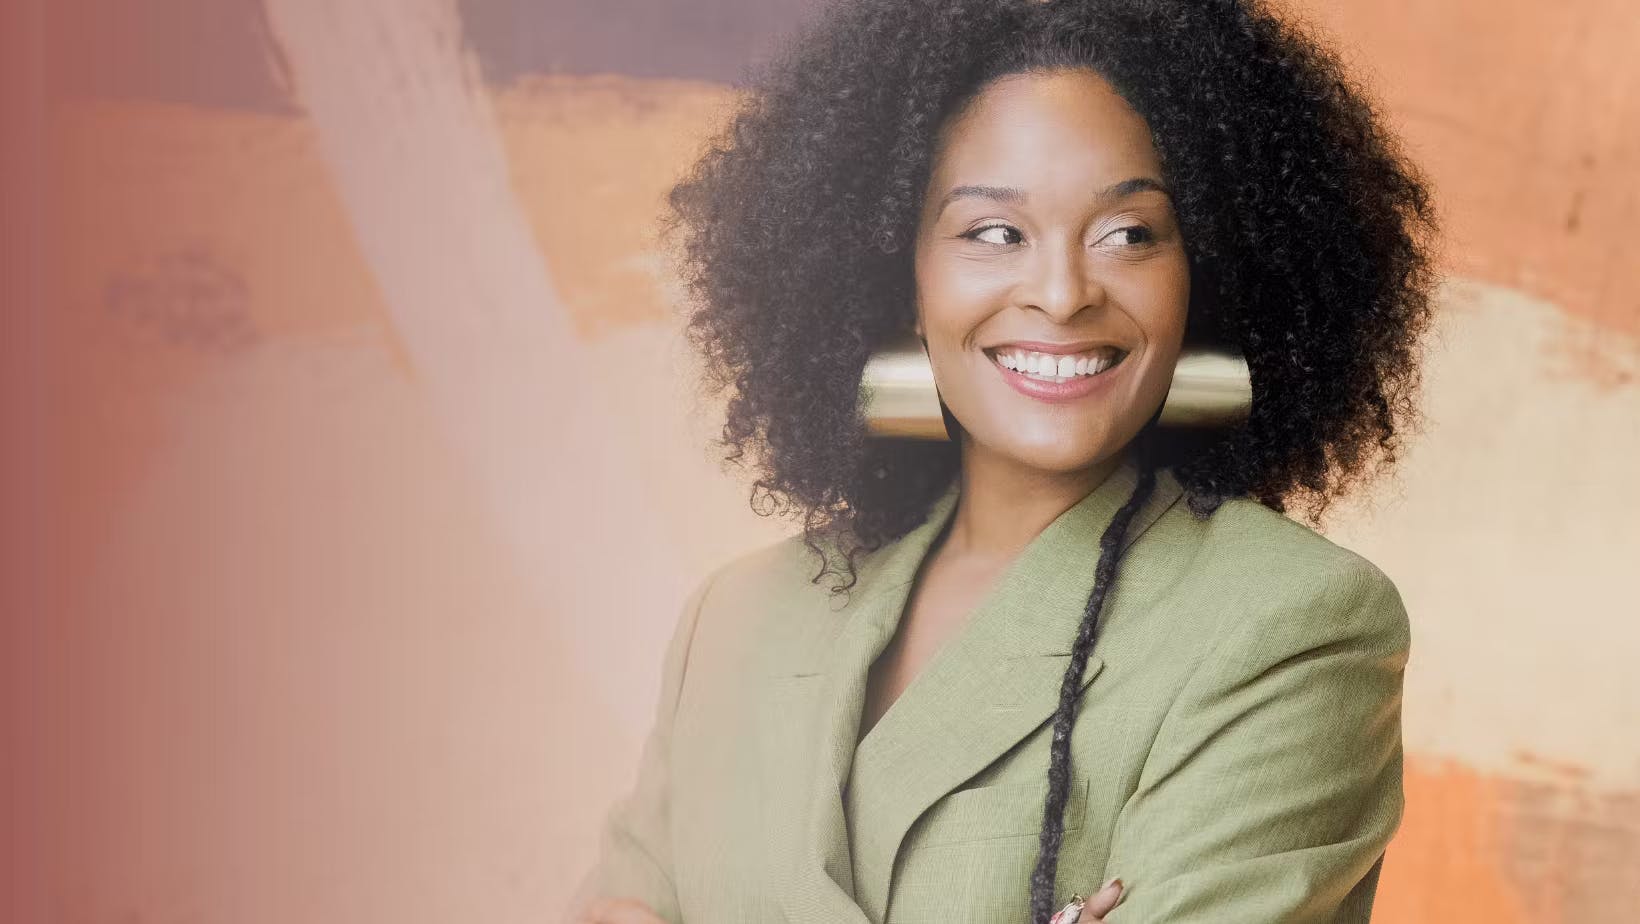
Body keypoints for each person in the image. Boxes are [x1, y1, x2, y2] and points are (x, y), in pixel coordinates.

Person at [568, 0, 1437, 921]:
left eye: (1129, 234)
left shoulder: (1292, 626)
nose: (1062, 294)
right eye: (993, 233)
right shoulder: (735, 622)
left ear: (1206, 272)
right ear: (896, 274)